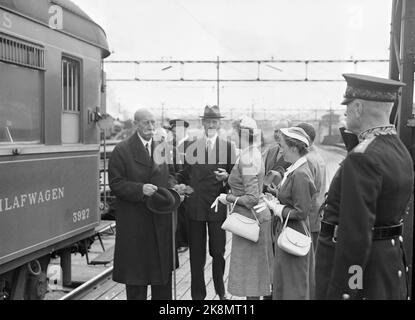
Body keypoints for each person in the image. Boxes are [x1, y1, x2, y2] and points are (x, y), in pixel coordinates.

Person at [315, 74, 414, 300]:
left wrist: (346, 292)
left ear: (358, 107)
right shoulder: (400, 152)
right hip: (387, 266)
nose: (345, 112)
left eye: (347, 106)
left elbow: (355, 239)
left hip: (364, 276)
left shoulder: (362, 157)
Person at [108, 108, 182, 300]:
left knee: (162, 280)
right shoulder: (122, 150)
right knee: (136, 281)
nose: (150, 127)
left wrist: (175, 188)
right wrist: (140, 189)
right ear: (136, 124)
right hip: (135, 224)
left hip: (160, 220)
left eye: (153, 123)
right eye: (146, 123)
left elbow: (172, 174)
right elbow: (115, 184)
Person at [178, 105, 237, 300]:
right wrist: (183, 189)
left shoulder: (228, 147)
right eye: (208, 121)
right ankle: (197, 296)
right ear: (203, 123)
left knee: (218, 252)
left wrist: (227, 178)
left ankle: (220, 292)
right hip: (194, 207)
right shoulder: (189, 146)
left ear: (219, 124)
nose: (211, 124)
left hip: (216, 206)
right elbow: (182, 174)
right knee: (196, 255)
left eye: (215, 121)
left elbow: (234, 178)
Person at [215, 116, 273, 300]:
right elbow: (250, 184)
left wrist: (227, 197)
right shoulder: (252, 152)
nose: (230, 134)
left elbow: (251, 198)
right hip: (252, 220)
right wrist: (228, 178)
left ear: (241, 134)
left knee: (252, 279)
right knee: (253, 278)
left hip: (250, 221)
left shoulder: (247, 158)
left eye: (233, 131)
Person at [256, 127, 317, 300]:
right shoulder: (295, 170)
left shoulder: (300, 174)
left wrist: (276, 208)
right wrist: (274, 198)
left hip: (294, 236)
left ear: (294, 148)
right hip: (287, 233)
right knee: (286, 284)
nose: (280, 149)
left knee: (293, 287)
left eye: (282, 145)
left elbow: (301, 211)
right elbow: (292, 200)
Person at [296, 123, 327, 251]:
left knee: (307, 261)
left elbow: (303, 194)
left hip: (308, 220)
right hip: (316, 216)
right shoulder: (317, 156)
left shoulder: (306, 160)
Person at [165, 119, 193, 253]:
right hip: (175, 183)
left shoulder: (193, 145)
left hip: (188, 185)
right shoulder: (170, 146)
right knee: (176, 214)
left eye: (177, 131)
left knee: (185, 214)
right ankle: (177, 241)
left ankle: (185, 241)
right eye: (173, 131)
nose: (175, 133)